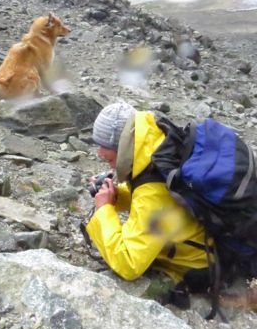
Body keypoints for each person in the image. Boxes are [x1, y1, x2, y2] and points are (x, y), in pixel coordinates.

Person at [85, 101, 212, 306]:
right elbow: (151, 196)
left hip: (195, 268)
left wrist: (104, 210)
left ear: (124, 145)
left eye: (105, 146)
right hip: (194, 245)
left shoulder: (154, 192)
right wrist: (117, 195)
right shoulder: (156, 149)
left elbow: (129, 264)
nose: (99, 153)